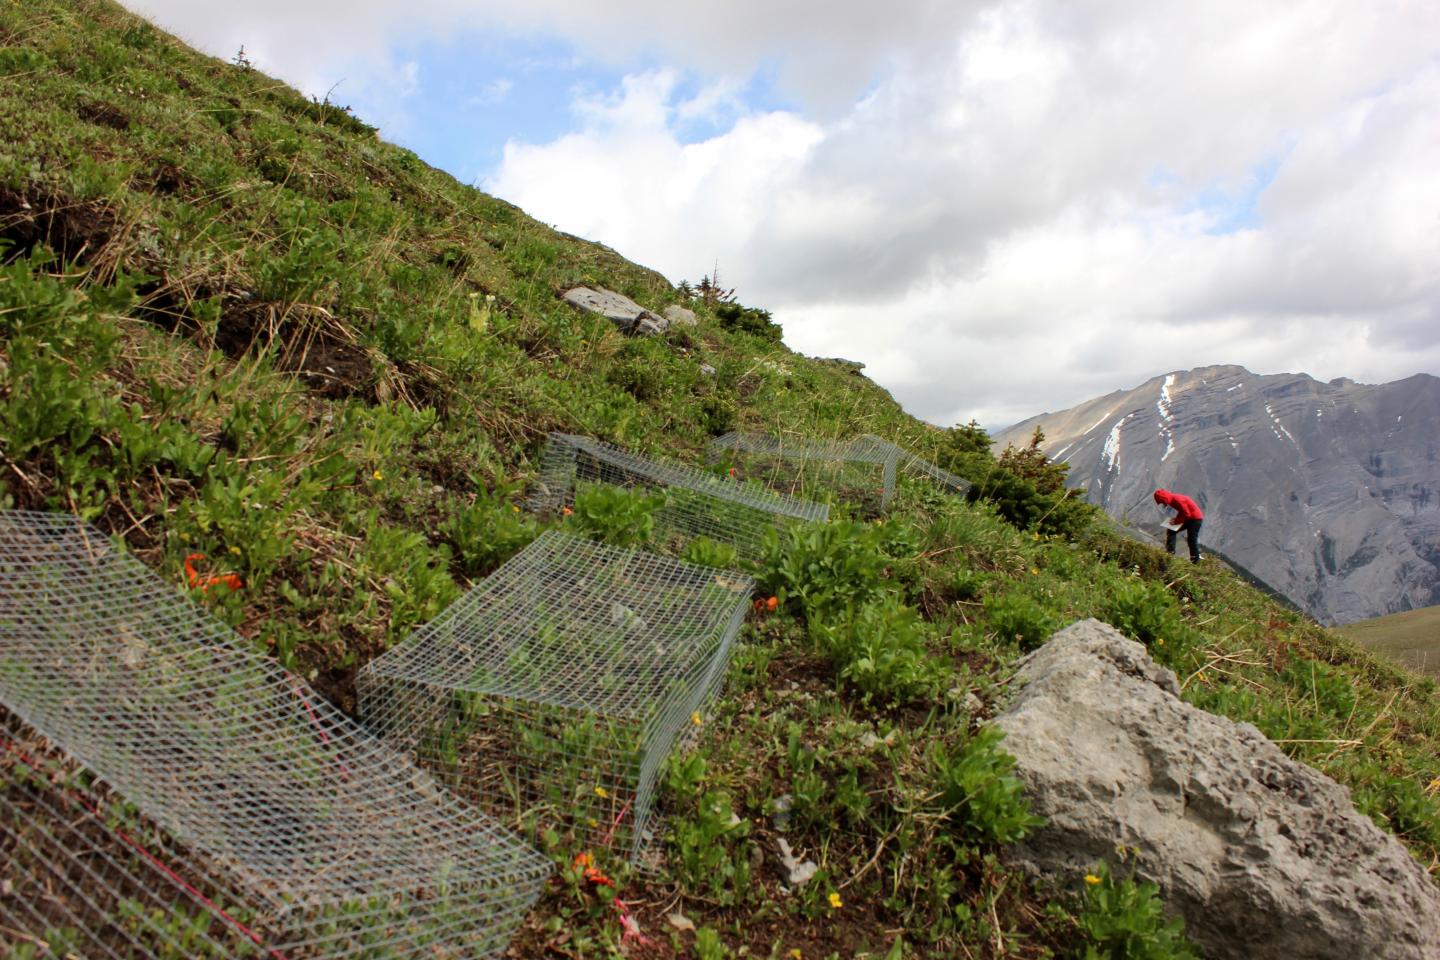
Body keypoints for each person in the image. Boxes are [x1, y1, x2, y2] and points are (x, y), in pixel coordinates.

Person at [1153, 488, 1203, 563]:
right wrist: (1176, 519)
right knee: (1171, 530)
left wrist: (1176, 521)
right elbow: (1182, 511)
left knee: (1192, 539)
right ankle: (1170, 553)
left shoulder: (1177, 499)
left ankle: (1195, 560)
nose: (1163, 504)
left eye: (1162, 502)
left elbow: (1187, 514)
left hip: (1195, 519)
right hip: (1190, 518)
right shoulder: (1173, 499)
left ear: (1164, 498)